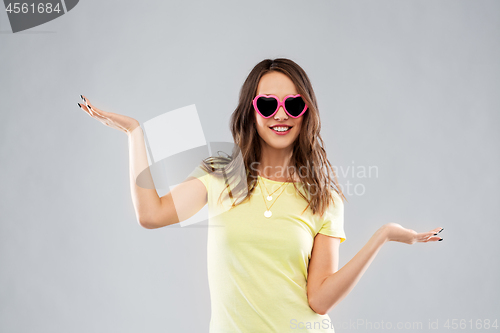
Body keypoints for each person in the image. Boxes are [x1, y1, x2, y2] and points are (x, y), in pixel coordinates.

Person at [76, 58, 444, 333]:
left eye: (293, 104)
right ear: (251, 112)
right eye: (268, 104)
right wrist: (134, 134)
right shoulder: (218, 178)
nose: (280, 115)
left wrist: (383, 235)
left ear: (306, 112)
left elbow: (318, 299)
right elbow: (151, 214)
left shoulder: (324, 199)